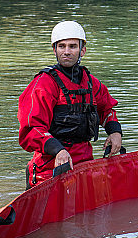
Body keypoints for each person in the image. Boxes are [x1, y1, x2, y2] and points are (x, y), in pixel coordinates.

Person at [18, 20, 123, 188]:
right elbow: (31, 129)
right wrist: (58, 150)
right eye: (61, 46)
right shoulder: (43, 84)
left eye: (72, 46)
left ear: (83, 50)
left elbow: (106, 109)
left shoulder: (91, 82)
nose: (66, 52)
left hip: (85, 165)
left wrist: (115, 132)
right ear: (54, 50)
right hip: (49, 170)